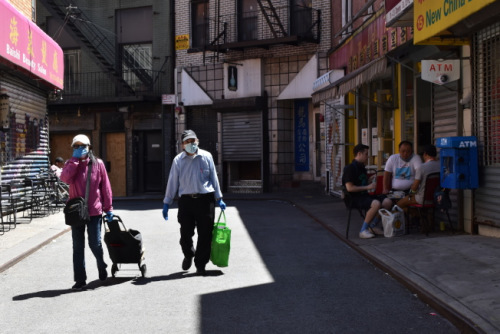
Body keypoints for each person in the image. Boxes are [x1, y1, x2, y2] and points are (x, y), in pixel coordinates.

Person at [162, 129, 226, 275]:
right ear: (182, 145)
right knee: (186, 233)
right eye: (187, 142)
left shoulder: (206, 156)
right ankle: (189, 254)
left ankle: (200, 263)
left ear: (197, 141)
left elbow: (214, 179)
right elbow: (172, 181)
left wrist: (219, 198)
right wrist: (167, 202)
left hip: (205, 200)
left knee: (205, 234)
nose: (191, 144)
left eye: (193, 141)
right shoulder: (178, 160)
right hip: (186, 201)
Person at [60, 134, 114, 290]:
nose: (80, 149)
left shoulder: (98, 164)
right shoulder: (71, 163)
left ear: (89, 147)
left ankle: (101, 264)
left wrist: (108, 208)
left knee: (94, 243)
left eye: (83, 146)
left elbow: (105, 187)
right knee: (77, 247)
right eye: (76, 146)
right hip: (76, 212)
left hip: (94, 210)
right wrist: (74, 161)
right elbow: (65, 179)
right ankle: (80, 279)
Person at [342, 144, 392, 239]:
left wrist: (369, 180)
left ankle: (372, 226)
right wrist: (367, 187)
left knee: (387, 201)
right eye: (366, 154)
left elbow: (360, 182)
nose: (367, 156)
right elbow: (350, 188)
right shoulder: (350, 168)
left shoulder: (362, 167)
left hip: (365, 196)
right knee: (376, 203)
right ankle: (363, 230)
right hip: (354, 198)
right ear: (359, 154)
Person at [396, 144, 441, 210]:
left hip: (422, 199)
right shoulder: (441, 166)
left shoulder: (422, 167)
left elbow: (414, 187)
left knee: (399, 204)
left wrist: (411, 193)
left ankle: (405, 218)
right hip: (437, 198)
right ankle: (416, 216)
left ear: (425, 154)